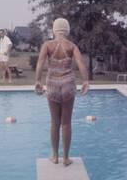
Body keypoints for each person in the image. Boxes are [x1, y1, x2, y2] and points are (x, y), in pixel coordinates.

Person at [35, 18, 89, 166]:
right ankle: (65, 158)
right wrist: (85, 81)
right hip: (68, 85)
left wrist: (37, 81)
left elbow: (40, 63)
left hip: (52, 85)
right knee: (66, 123)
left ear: (54, 29)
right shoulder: (72, 46)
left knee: (54, 122)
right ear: (67, 30)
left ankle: (55, 156)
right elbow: (80, 63)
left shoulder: (47, 45)